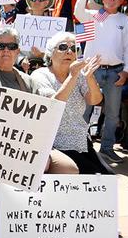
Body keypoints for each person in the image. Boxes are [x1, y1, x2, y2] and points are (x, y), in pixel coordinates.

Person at [0, 0, 79, 238]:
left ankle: (37, 227)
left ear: (18, 51)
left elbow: (53, 105)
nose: (5, 51)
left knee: (68, 169)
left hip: (24, 148)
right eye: (0, 46)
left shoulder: (27, 80)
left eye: (11, 46)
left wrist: (73, 77)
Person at [74, 0, 128, 163]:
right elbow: (78, 12)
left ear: (121, 0)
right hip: (92, 70)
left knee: (113, 113)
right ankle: (78, 145)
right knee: (85, 109)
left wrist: (126, 71)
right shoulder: (95, 15)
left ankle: (107, 148)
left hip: (115, 72)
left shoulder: (124, 20)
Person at [32, 32, 107, 173]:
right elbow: (53, 105)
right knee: (90, 178)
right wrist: (72, 76)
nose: (69, 51)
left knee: (107, 179)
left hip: (80, 140)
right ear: (50, 53)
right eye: (63, 47)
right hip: (55, 142)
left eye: (74, 49)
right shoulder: (40, 75)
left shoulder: (79, 74)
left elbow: (95, 100)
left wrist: (89, 77)